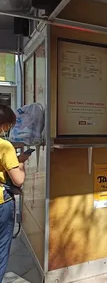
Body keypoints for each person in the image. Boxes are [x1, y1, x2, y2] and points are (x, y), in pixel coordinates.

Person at [0, 104, 31, 281]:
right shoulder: (5, 146)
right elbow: (18, 179)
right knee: (1, 250)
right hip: (1, 202)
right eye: (9, 126)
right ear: (3, 124)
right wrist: (21, 163)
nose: (9, 129)